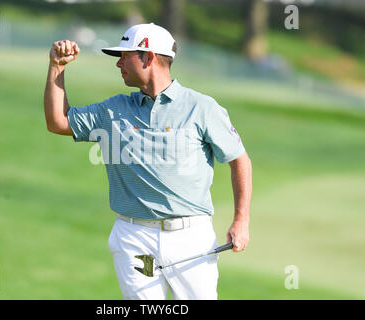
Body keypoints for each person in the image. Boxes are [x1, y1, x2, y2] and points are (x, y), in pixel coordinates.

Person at [44, 23, 252, 300]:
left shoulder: (201, 108)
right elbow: (58, 121)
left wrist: (241, 220)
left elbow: (239, 160)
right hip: (133, 235)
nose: (118, 63)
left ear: (148, 57)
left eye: (124, 55)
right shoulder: (112, 110)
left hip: (191, 237)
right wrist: (57, 67)